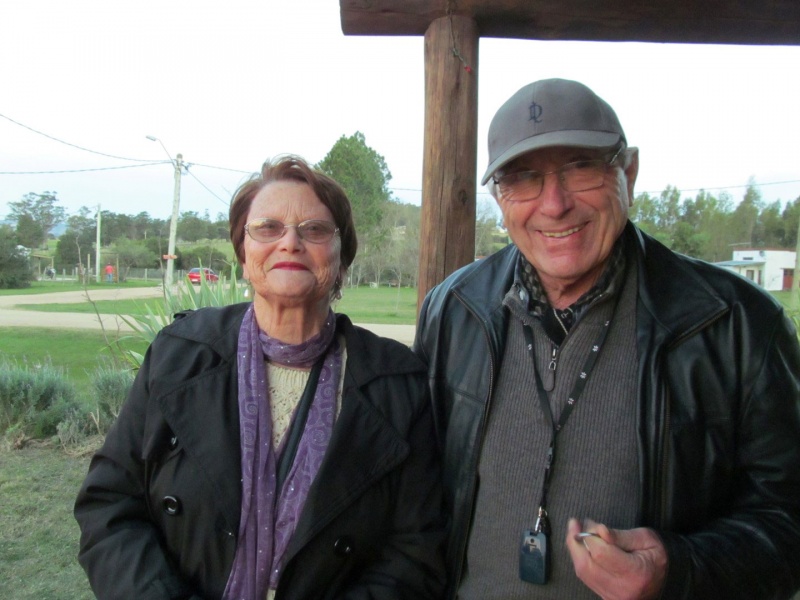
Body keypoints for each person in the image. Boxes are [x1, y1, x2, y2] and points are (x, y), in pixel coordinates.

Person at [413, 78, 800, 599]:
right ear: (500, 199)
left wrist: (678, 569)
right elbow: (413, 501)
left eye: (581, 167)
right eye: (523, 178)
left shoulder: (737, 324)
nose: (554, 204)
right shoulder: (452, 309)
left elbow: (788, 520)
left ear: (628, 173)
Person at [75, 155, 446, 600]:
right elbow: (110, 505)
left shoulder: (397, 384)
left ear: (341, 257)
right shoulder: (178, 356)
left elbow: (414, 554)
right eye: (268, 228)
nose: (290, 243)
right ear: (243, 253)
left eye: (314, 229)